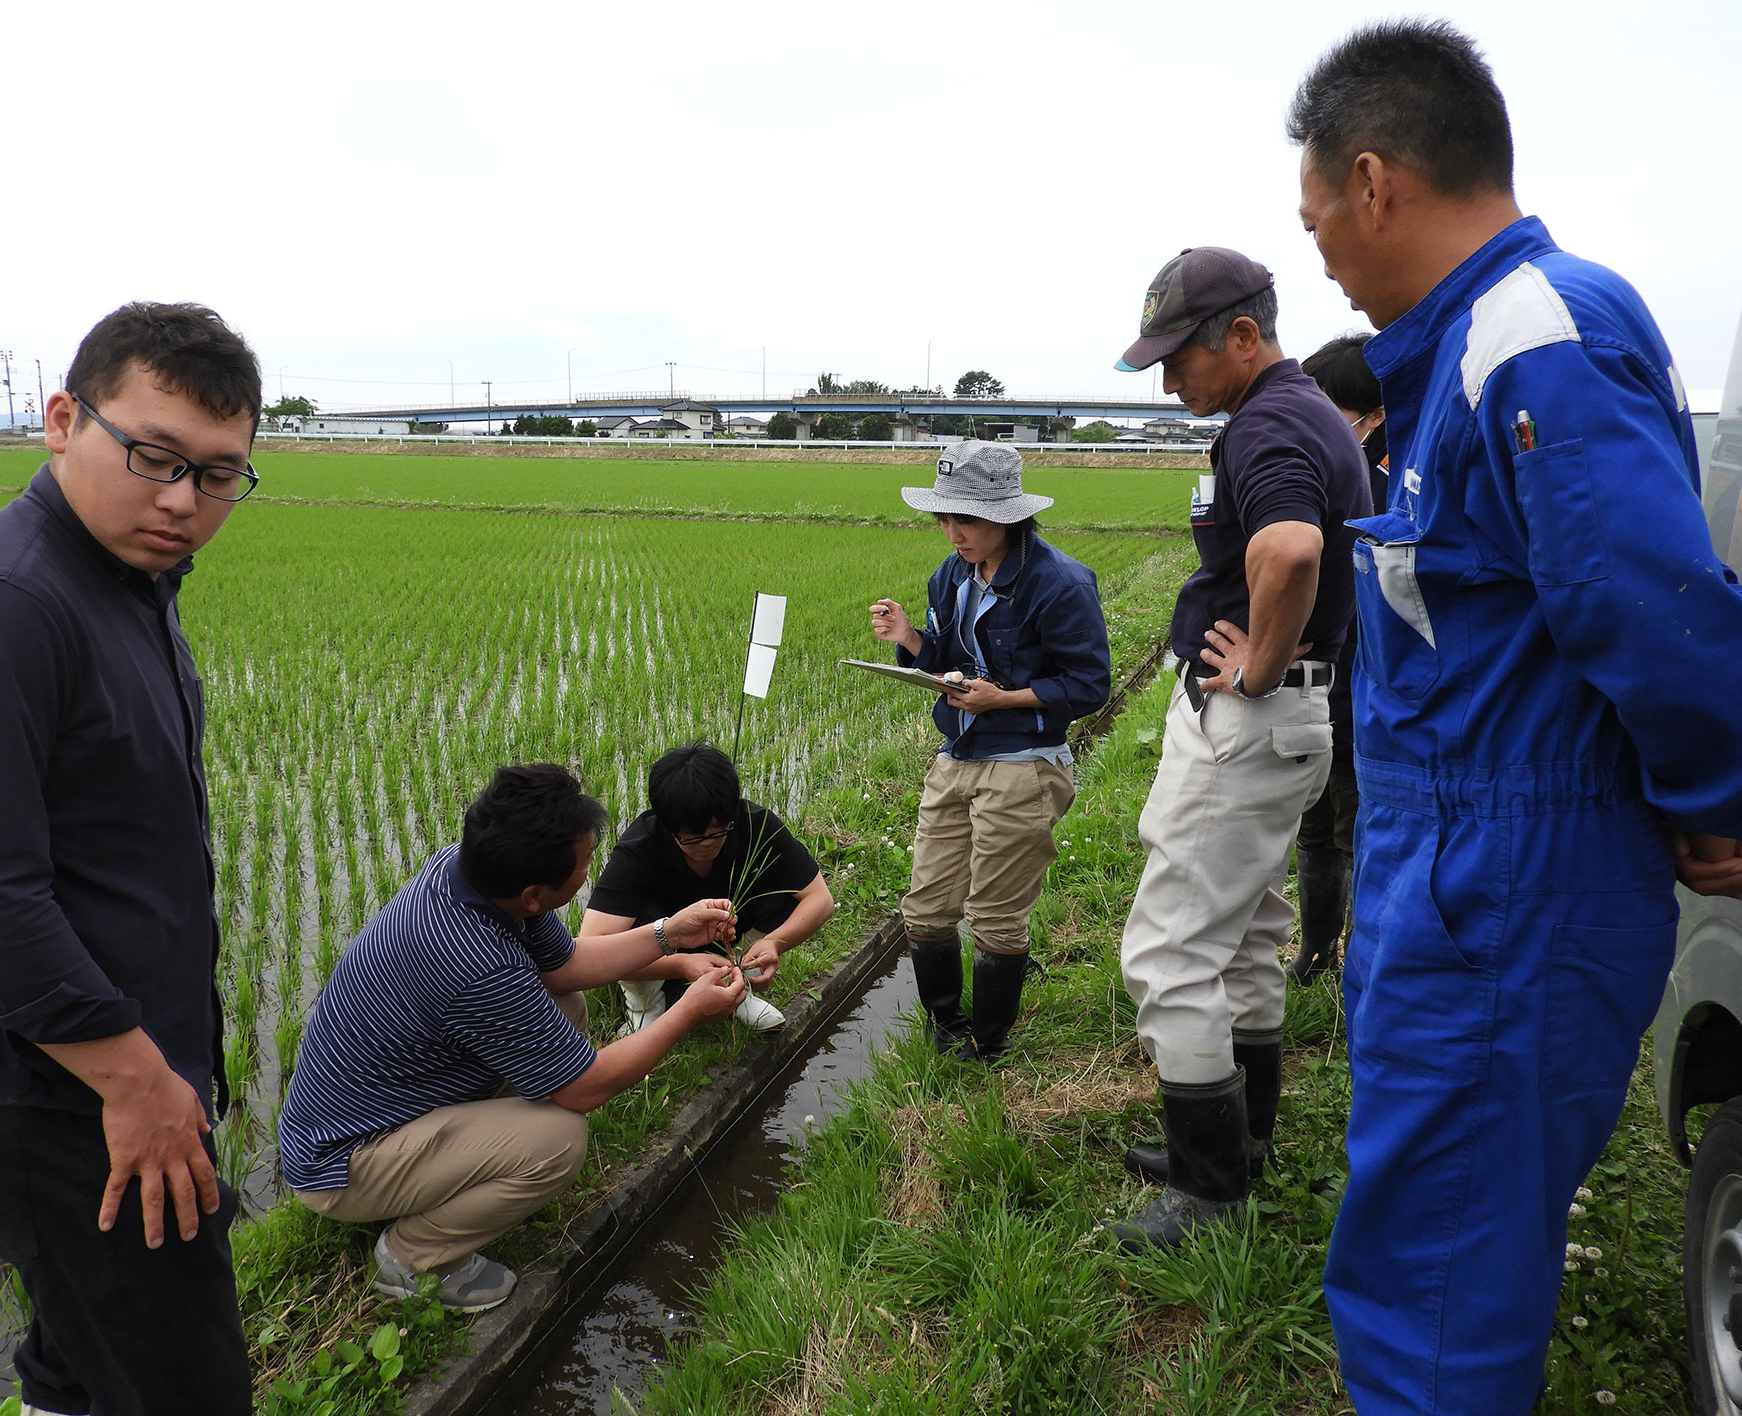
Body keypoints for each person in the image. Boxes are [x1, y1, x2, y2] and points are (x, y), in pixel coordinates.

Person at [1288, 21, 1742, 1411]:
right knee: (1436, 1239)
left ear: (1374, 183)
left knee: (1437, 1282)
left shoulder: (1531, 337)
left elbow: (1649, 605)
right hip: (1465, 873)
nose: (1316, 249)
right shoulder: (1476, 350)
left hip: (1511, 882)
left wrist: (1714, 802)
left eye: (1313, 214)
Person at [0, 303, 264, 1416]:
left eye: (219, 474)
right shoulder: (0, 608)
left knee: (80, 1353)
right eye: (152, 456)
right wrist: (138, 1081)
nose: (184, 501)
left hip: (109, 1069)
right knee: (181, 1385)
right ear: (62, 420)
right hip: (54, 1089)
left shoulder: (130, 583)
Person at [1101, 248, 1371, 1249]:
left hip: (1254, 720)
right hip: (1288, 720)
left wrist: (1256, 667)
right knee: (1248, 928)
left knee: (1168, 949)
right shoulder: (1297, 415)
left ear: (1244, 337)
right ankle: (1241, 1139)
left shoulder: (1268, 428)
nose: (1171, 381)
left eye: (1180, 358)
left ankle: (1209, 1193)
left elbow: (1292, 549)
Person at [277, 764, 745, 1311]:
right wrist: (687, 1011)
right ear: (534, 894)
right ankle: (410, 1258)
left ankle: (465, 1162)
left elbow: (565, 964)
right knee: (556, 1143)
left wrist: (669, 934)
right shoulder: (471, 959)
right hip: (344, 1159)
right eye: (584, 861)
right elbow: (585, 1089)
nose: (591, 866)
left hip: (393, 1097)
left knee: (563, 1005)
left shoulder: (472, 872)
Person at [868, 441, 1111, 1063]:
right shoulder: (950, 574)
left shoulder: (1060, 583)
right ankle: (945, 1027)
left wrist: (1000, 700)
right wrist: (911, 639)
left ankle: (988, 1042)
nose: (954, 532)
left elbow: (1088, 687)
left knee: (997, 915)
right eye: (944, 518)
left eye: (967, 519)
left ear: (1007, 516)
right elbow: (950, 662)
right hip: (958, 753)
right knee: (925, 907)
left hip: (1025, 762)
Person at [582, 742, 836, 1034]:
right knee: (631, 928)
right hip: (662, 947)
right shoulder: (639, 849)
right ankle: (644, 1004)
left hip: (728, 935)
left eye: (718, 831)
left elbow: (820, 899)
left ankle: (738, 978)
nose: (708, 844)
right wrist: (680, 965)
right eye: (693, 836)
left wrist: (774, 943)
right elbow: (593, 948)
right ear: (668, 825)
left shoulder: (754, 825)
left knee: (781, 895)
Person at [1288, 333, 1389, 985]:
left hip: (1366, 697)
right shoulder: (1314, 480)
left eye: (1330, 414)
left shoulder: (1392, 489)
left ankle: (1367, 971)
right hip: (1307, 692)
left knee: (1363, 838)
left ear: (1373, 415)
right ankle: (1317, 953)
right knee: (1313, 830)